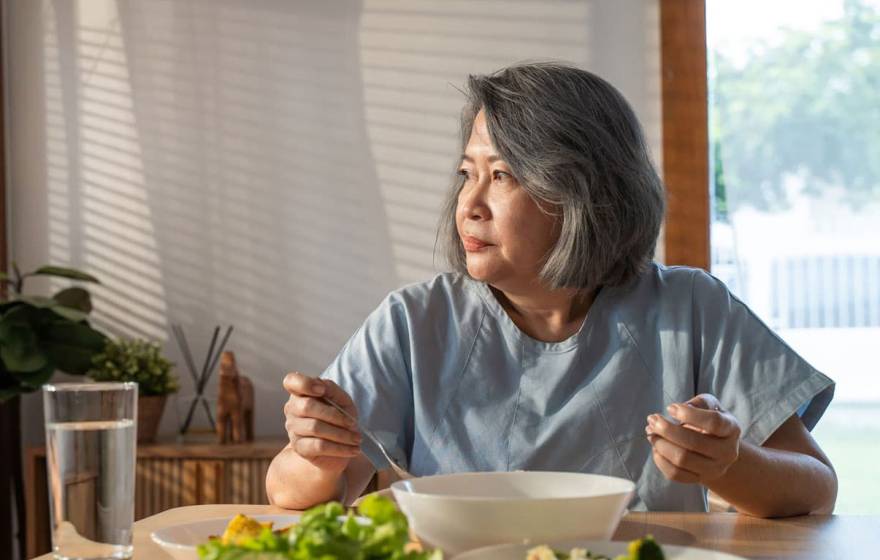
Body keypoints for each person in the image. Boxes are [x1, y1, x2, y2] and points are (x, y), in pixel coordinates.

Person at [266, 62, 837, 516]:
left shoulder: (693, 307)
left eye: (503, 176)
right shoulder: (413, 321)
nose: (469, 204)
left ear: (582, 193)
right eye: (468, 173)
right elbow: (289, 494)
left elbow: (815, 487)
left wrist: (727, 465)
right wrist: (316, 454)